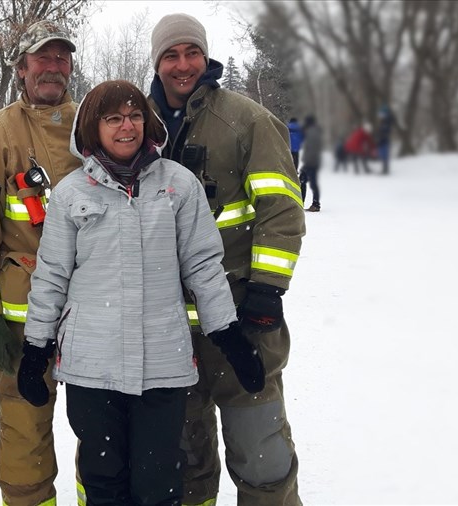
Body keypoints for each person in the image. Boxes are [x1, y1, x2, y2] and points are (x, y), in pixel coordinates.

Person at [17, 79, 263, 506]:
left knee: (159, 482)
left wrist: (228, 334)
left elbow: (203, 266)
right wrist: (36, 346)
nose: (125, 126)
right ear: (93, 128)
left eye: (133, 116)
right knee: (104, 480)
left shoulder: (179, 185)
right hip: (91, 367)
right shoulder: (71, 193)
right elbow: (52, 275)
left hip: (162, 364)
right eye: (112, 118)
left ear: (147, 124)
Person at [148, 13, 305, 506]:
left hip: (240, 321)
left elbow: (280, 209)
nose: (183, 65)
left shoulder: (246, 119)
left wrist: (265, 292)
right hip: (170, 333)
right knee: (185, 464)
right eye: (171, 55)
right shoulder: (140, 126)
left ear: (205, 56)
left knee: (261, 456)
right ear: (156, 63)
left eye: (192, 52)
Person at [0, 19, 80, 506]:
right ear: (21, 67)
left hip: (93, 310)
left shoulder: (94, 124)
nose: (52, 67)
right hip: (22, 313)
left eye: (61, 58)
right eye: (42, 57)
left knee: (102, 425)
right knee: (23, 431)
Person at [299, 115, 323, 212]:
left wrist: (307, 163)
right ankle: (312, 203)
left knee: (307, 182)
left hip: (311, 162)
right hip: (313, 161)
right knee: (306, 182)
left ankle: (314, 204)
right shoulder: (314, 131)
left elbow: (311, 149)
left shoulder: (311, 132)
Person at [377, 105, 393, 175]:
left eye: (381, 114)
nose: (380, 115)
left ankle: (385, 169)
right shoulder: (384, 120)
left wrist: (381, 135)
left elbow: (385, 130)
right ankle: (384, 168)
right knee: (383, 154)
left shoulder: (387, 120)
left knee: (384, 154)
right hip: (383, 140)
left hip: (384, 140)